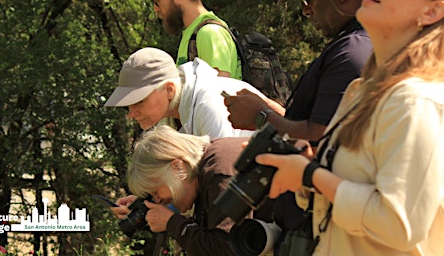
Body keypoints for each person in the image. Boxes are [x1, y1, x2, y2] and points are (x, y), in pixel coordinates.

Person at [256, 0, 444, 255]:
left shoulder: (415, 101)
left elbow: (400, 226)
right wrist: (307, 170)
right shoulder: (362, 89)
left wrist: (311, 175)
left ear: (431, 11)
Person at [111, 125, 274, 256]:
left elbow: (228, 248)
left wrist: (172, 223)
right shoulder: (207, 164)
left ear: (178, 167)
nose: (158, 200)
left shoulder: (219, 172)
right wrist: (144, 208)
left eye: (155, 191)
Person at [225, 0, 372, 143]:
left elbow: (319, 139)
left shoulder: (351, 52)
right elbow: (312, 123)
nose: (306, 11)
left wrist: (261, 117)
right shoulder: (352, 45)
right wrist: (267, 108)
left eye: (308, 1)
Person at [104, 47, 264, 139]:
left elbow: (224, 171)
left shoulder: (208, 104)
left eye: (139, 101)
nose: (131, 114)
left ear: (169, 90)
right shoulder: (176, 120)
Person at [151, 0, 240, 78]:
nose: (156, 9)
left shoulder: (209, 33)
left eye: (157, 2)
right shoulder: (193, 33)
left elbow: (218, 94)